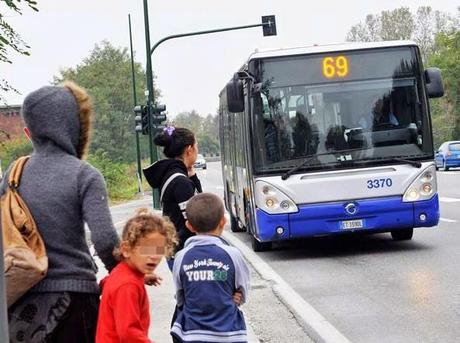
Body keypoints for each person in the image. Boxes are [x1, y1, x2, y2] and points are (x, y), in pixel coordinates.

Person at [1, 82, 120, 342]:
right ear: (75, 128)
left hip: (20, 301)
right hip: (75, 300)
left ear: (28, 131)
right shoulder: (84, 174)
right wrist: (121, 270)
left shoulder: (13, 174)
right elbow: (104, 240)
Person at [171, 193, 250, 343]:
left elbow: (180, 297)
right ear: (223, 222)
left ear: (189, 226)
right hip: (229, 334)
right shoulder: (233, 255)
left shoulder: (181, 257)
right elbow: (243, 291)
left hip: (192, 335)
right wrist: (232, 298)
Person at [96, 208, 177, 343]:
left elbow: (107, 283)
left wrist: (141, 278)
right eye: (146, 249)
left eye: (159, 250)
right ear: (126, 250)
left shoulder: (122, 273)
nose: (154, 256)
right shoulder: (128, 286)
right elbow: (128, 334)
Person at [143, 126, 202, 270]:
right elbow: (197, 219)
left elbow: (200, 205)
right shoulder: (180, 181)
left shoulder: (173, 174)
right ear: (189, 149)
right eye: (196, 146)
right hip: (185, 253)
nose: (197, 150)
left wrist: (192, 176)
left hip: (177, 251)